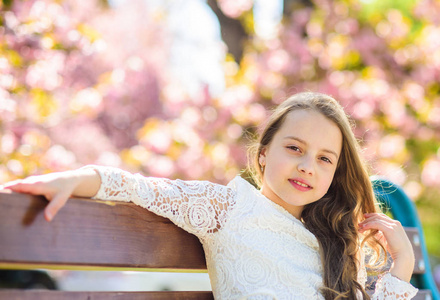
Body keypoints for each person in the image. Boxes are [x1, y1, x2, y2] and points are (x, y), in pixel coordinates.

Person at [3, 92, 418, 299]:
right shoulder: (227, 208)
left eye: (325, 158)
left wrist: (401, 268)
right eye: (294, 148)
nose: (308, 165)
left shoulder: (332, 242)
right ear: (263, 154)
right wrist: (80, 177)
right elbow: (144, 188)